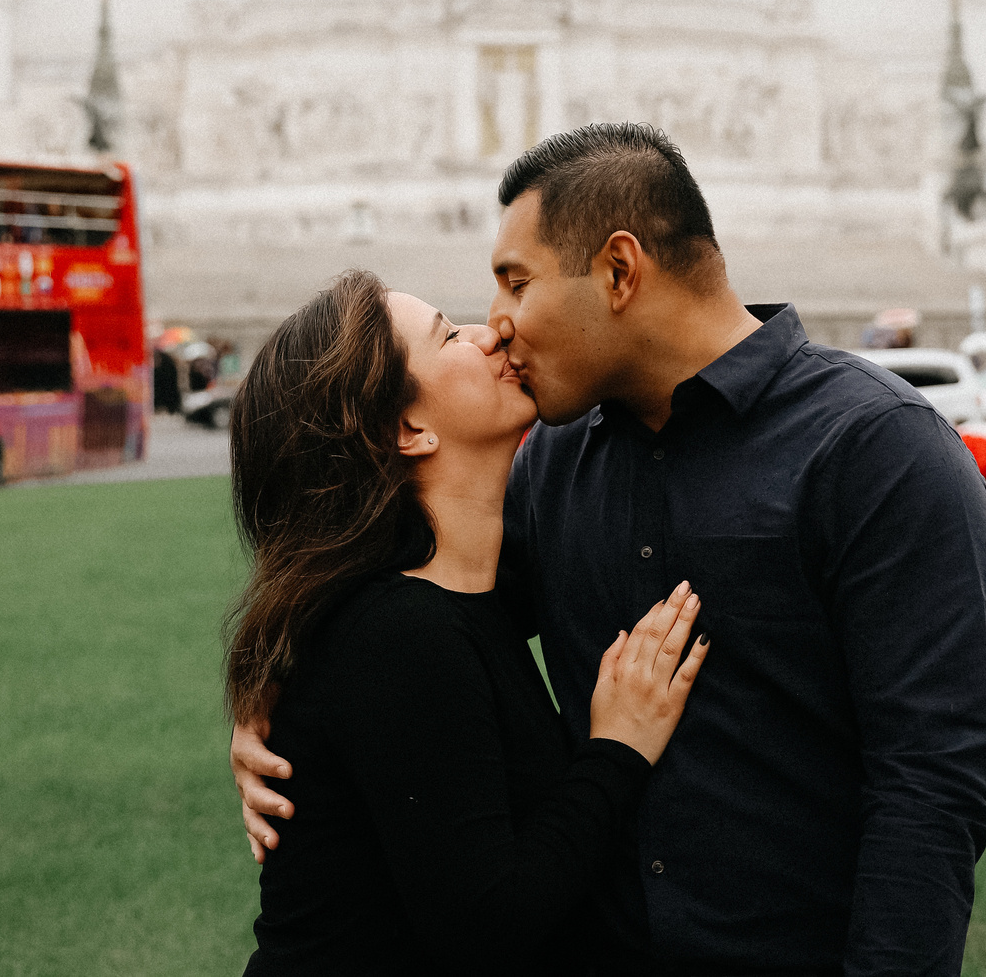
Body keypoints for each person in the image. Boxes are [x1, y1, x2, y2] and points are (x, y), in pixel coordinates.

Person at [238, 123, 986, 976]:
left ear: (618, 270)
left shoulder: (879, 452)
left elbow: (929, 790)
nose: (496, 323)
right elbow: (404, 628)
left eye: (517, 282)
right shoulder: (553, 465)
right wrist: (273, 701)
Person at [229, 267, 709, 975]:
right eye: (449, 335)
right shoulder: (401, 635)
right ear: (408, 428)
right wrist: (619, 746)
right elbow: (489, 924)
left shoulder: (459, 600)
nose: (493, 333)